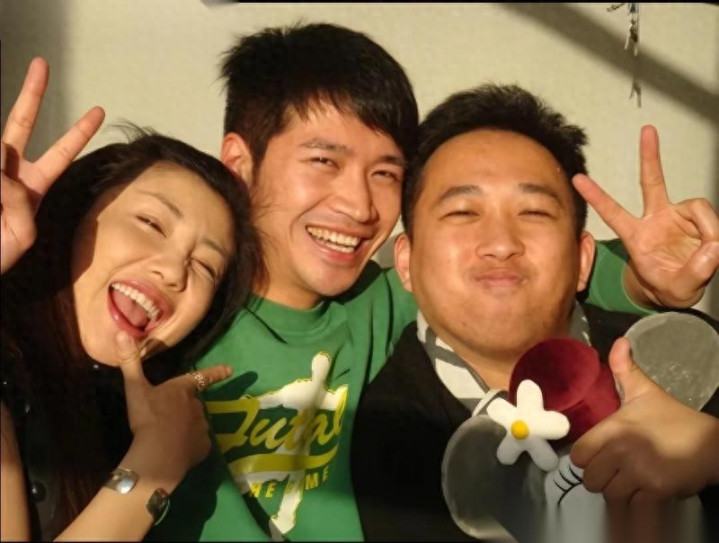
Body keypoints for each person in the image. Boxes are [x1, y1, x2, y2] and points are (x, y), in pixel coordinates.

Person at [156, 23, 719, 542]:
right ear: (240, 163)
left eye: (384, 173)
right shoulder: (177, 319)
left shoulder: (379, 302)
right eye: (324, 161)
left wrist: (645, 282)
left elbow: (524, 277)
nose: (358, 204)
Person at [350, 83, 719, 541]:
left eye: (534, 212)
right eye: (463, 212)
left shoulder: (689, 357)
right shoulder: (387, 431)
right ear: (406, 262)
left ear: (583, 260)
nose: (501, 244)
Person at [0, 58, 262, 540]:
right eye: (151, 223)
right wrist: (157, 461)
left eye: (206, 266)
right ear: (77, 215)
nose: (174, 271)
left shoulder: (121, 414)